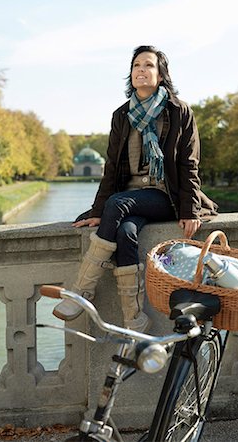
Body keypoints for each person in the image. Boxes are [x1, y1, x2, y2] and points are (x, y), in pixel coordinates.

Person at [53, 45, 218, 331]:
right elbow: (112, 169)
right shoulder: (121, 116)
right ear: (131, 75)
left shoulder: (179, 112)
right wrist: (97, 211)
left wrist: (190, 210)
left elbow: (189, 165)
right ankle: (134, 317)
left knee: (117, 205)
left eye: (148, 65)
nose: (141, 70)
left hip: (166, 195)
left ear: (161, 74)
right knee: (125, 231)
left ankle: (81, 291)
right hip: (132, 197)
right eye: (136, 66)